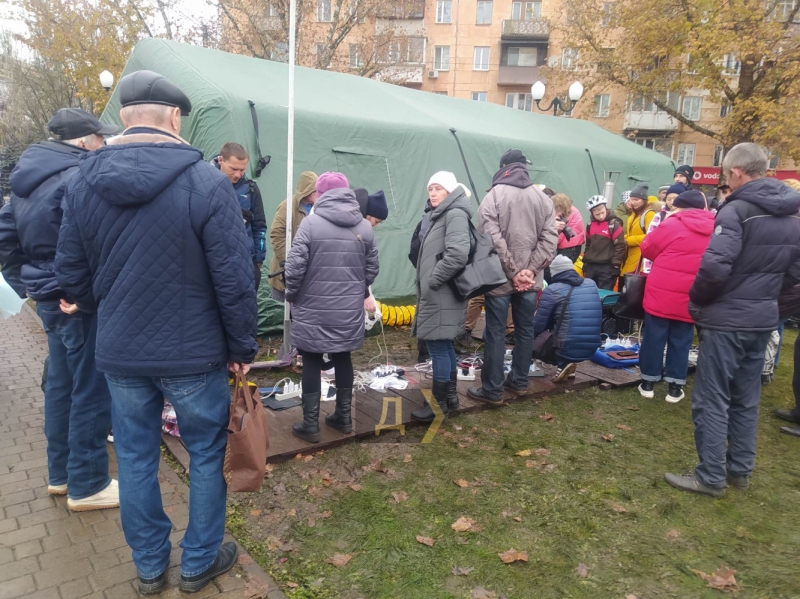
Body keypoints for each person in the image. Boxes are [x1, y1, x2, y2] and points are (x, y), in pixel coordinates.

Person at [54, 70, 259, 594]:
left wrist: (111, 304)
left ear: (123, 119)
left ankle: (149, 567)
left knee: (137, 455)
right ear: (174, 118)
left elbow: (72, 277)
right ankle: (198, 562)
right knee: (207, 453)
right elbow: (234, 279)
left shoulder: (81, 181)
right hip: (193, 355)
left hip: (121, 352)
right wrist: (241, 347)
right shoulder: (208, 184)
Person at [0, 108, 119, 511]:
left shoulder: (23, 180)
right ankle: (88, 483)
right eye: (99, 138)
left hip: (51, 299)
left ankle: (61, 475)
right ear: (84, 141)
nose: (103, 144)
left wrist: (33, 288)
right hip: (76, 301)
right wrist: (80, 293)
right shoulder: (79, 176)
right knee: (90, 390)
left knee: (61, 387)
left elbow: (5, 238)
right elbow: (87, 243)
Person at [665, 143, 800, 498]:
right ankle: (739, 469)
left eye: (726, 175)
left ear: (737, 172)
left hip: (728, 321)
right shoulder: (793, 214)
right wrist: (769, 300)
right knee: (745, 396)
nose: (726, 181)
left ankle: (711, 475)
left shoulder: (736, 211)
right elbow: (794, 274)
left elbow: (713, 267)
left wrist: (699, 302)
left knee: (712, 397)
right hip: (761, 320)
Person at [285, 172, 379, 440]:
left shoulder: (311, 224)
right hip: (348, 308)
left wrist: (294, 295)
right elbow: (372, 269)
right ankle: (344, 418)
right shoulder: (364, 227)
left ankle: (310, 424)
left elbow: (293, 268)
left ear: (321, 194)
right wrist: (355, 289)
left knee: (312, 358)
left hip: (312, 307)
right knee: (343, 356)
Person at [468, 149, 558, 404]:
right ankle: (519, 381)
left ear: (502, 167)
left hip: (499, 278)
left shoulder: (493, 196)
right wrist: (529, 270)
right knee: (525, 329)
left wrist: (513, 271)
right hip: (530, 281)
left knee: (495, 332)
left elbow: (490, 238)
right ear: (524, 168)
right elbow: (551, 239)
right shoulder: (542, 199)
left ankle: (493, 389)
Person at [637, 190, 714, 403]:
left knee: (654, 336)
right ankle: (675, 387)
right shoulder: (715, 228)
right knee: (682, 339)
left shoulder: (670, 224)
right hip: (694, 290)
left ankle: (648, 383)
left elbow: (648, 249)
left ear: (679, 206)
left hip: (662, 288)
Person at [410, 171, 472, 421]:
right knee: (444, 345)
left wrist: (433, 279)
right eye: (430, 189)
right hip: (440, 293)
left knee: (438, 347)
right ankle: (449, 398)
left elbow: (458, 253)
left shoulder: (454, 214)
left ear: (449, 190)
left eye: (438, 188)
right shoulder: (444, 214)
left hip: (441, 292)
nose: (433, 193)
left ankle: (438, 406)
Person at [533, 255, 602, 381]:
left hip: (565, 346)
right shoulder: (591, 284)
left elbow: (538, 325)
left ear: (554, 272)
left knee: (531, 342)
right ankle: (569, 367)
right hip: (592, 346)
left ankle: (562, 364)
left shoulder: (553, 290)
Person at [212, 143, 267, 290]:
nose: (238, 174)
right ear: (221, 160)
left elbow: (260, 226)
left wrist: (258, 259)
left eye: (242, 170)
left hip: (245, 261)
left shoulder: (251, 189)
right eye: (234, 169)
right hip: (213, 261)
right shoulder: (204, 183)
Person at [268, 171, 318, 303]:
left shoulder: (319, 208)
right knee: (289, 309)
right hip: (289, 267)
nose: (318, 194)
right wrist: (287, 261)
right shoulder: (287, 206)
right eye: (315, 191)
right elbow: (276, 233)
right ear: (307, 191)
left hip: (309, 271)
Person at [582, 195, 625, 290]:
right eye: (597, 214)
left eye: (602, 212)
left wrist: (616, 265)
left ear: (606, 209)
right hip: (591, 266)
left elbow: (620, 246)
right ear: (592, 213)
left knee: (604, 295)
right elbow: (588, 244)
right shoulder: (590, 224)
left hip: (607, 267)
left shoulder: (614, 224)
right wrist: (585, 261)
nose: (601, 216)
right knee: (588, 292)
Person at [620, 183, 659, 277]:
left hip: (641, 262)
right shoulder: (633, 215)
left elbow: (652, 236)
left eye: (636, 200)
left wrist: (628, 240)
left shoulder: (649, 215)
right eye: (632, 199)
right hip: (630, 258)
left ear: (644, 200)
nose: (633, 202)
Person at [551, 193, 585, 263]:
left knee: (559, 270)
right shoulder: (569, 210)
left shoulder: (567, 214)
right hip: (572, 247)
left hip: (569, 248)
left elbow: (561, 235)